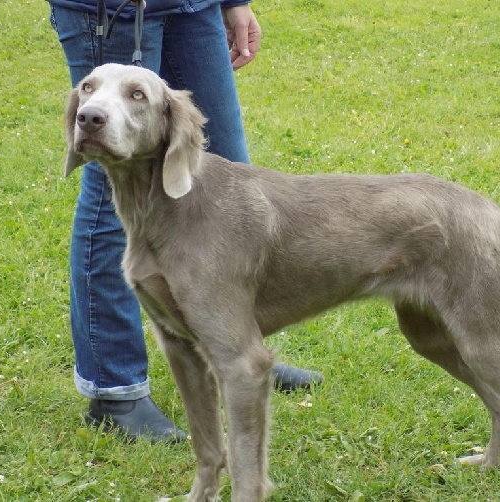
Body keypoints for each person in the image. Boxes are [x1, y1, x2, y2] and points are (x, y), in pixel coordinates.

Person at [47, 0, 324, 442]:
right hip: (110, 7)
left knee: (226, 172)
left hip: (191, 4)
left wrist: (234, 3)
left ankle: (233, 344)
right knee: (114, 178)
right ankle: (115, 389)